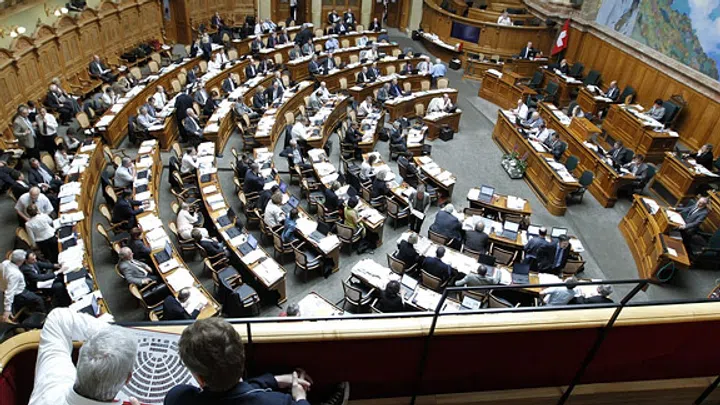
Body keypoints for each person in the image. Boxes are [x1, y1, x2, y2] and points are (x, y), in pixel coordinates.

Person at [164, 317, 315, 405]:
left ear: (200, 379)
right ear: (242, 357)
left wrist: (276, 380)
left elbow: (235, 394)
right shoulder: (278, 402)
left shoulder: (178, 399)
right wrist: (300, 398)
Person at [28, 308, 138, 405]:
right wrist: (119, 338)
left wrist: (111, 334)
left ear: (79, 359)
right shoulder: (54, 381)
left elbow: (58, 319)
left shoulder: (52, 383)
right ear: (128, 378)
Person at [1, 250, 46, 321]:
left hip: (5, 287)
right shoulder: (15, 274)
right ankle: (41, 318)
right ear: (21, 261)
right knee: (39, 300)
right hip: (19, 294)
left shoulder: (5, 263)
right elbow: (10, 292)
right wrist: (7, 310)